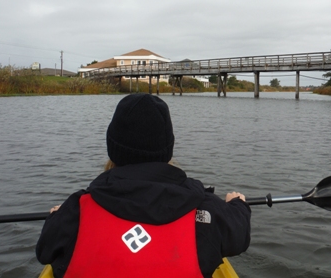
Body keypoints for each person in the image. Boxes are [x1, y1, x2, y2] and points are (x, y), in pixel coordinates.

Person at [36, 94, 251, 278]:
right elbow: (239, 237)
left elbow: (44, 250)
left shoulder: (75, 211)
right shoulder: (205, 211)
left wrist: (58, 217)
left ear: (113, 147)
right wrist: (237, 205)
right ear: (167, 148)